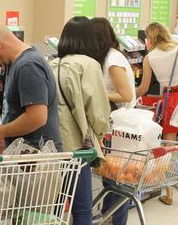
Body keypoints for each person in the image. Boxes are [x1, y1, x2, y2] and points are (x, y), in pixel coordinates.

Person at [48, 16, 110, 225]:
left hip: (51, 145)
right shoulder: (88, 65)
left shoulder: (51, 64)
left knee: (55, 205)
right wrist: (100, 135)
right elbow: (98, 110)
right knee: (82, 209)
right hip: (77, 146)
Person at [135, 22, 178, 207]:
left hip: (168, 101)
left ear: (150, 38)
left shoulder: (149, 58)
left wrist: (130, 96)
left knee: (168, 150)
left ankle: (169, 193)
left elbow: (144, 87)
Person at [0, 22, 62, 151]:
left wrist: (1, 132)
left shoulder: (28, 66)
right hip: (25, 154)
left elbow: (37, 117)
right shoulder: (14, 64)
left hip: (38, 159)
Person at [90, 18, 133, 225]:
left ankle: (115, 220)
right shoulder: (106, 57)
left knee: (116, 179)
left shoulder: (114, 61)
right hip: (113, 125)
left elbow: (125, 94)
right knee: (112, 178)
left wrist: (97, 93)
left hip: (119, 127)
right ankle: (110, 219)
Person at [91, 18, 136, 109]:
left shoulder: (113, 60)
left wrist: (98, 95)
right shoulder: (105, 56)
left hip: (121, 117)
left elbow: (126, 96)